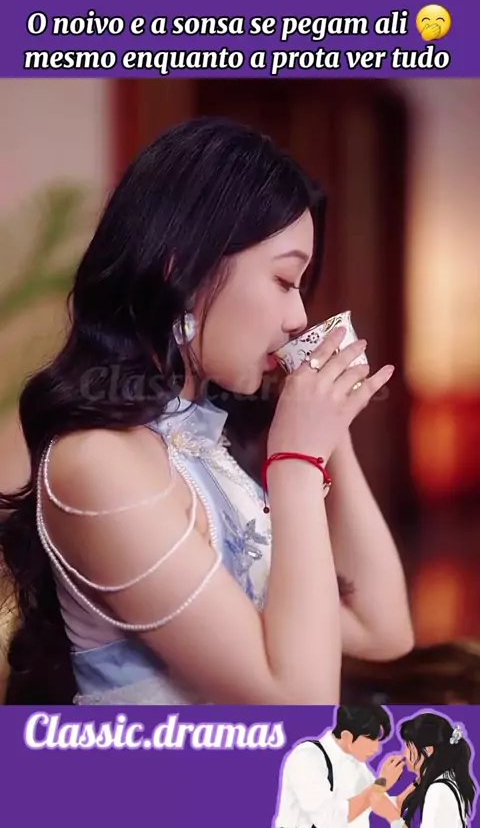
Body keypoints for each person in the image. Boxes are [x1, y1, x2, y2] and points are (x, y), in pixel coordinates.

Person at [0, 116, 414, 706]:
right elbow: (299, 705)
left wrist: (328, 426)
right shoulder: (97, 464)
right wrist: (296, 463)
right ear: (182, 270)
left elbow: (383, 629)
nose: (299, 317)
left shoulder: (204, 446)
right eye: (284, 279)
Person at [273, 705, 405, 827]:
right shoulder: (307, 757)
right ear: (347, 736)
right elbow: (329, 820)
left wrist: (415, 784)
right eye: (371, 739)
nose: (377, 749)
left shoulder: (356, 764)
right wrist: (381, 783)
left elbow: (380, 801)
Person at [396, 712, 477, 827]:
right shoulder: (445, 780)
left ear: (428, 750)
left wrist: (392, 818)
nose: (404, 753)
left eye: (408, 746)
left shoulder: (438, 790)